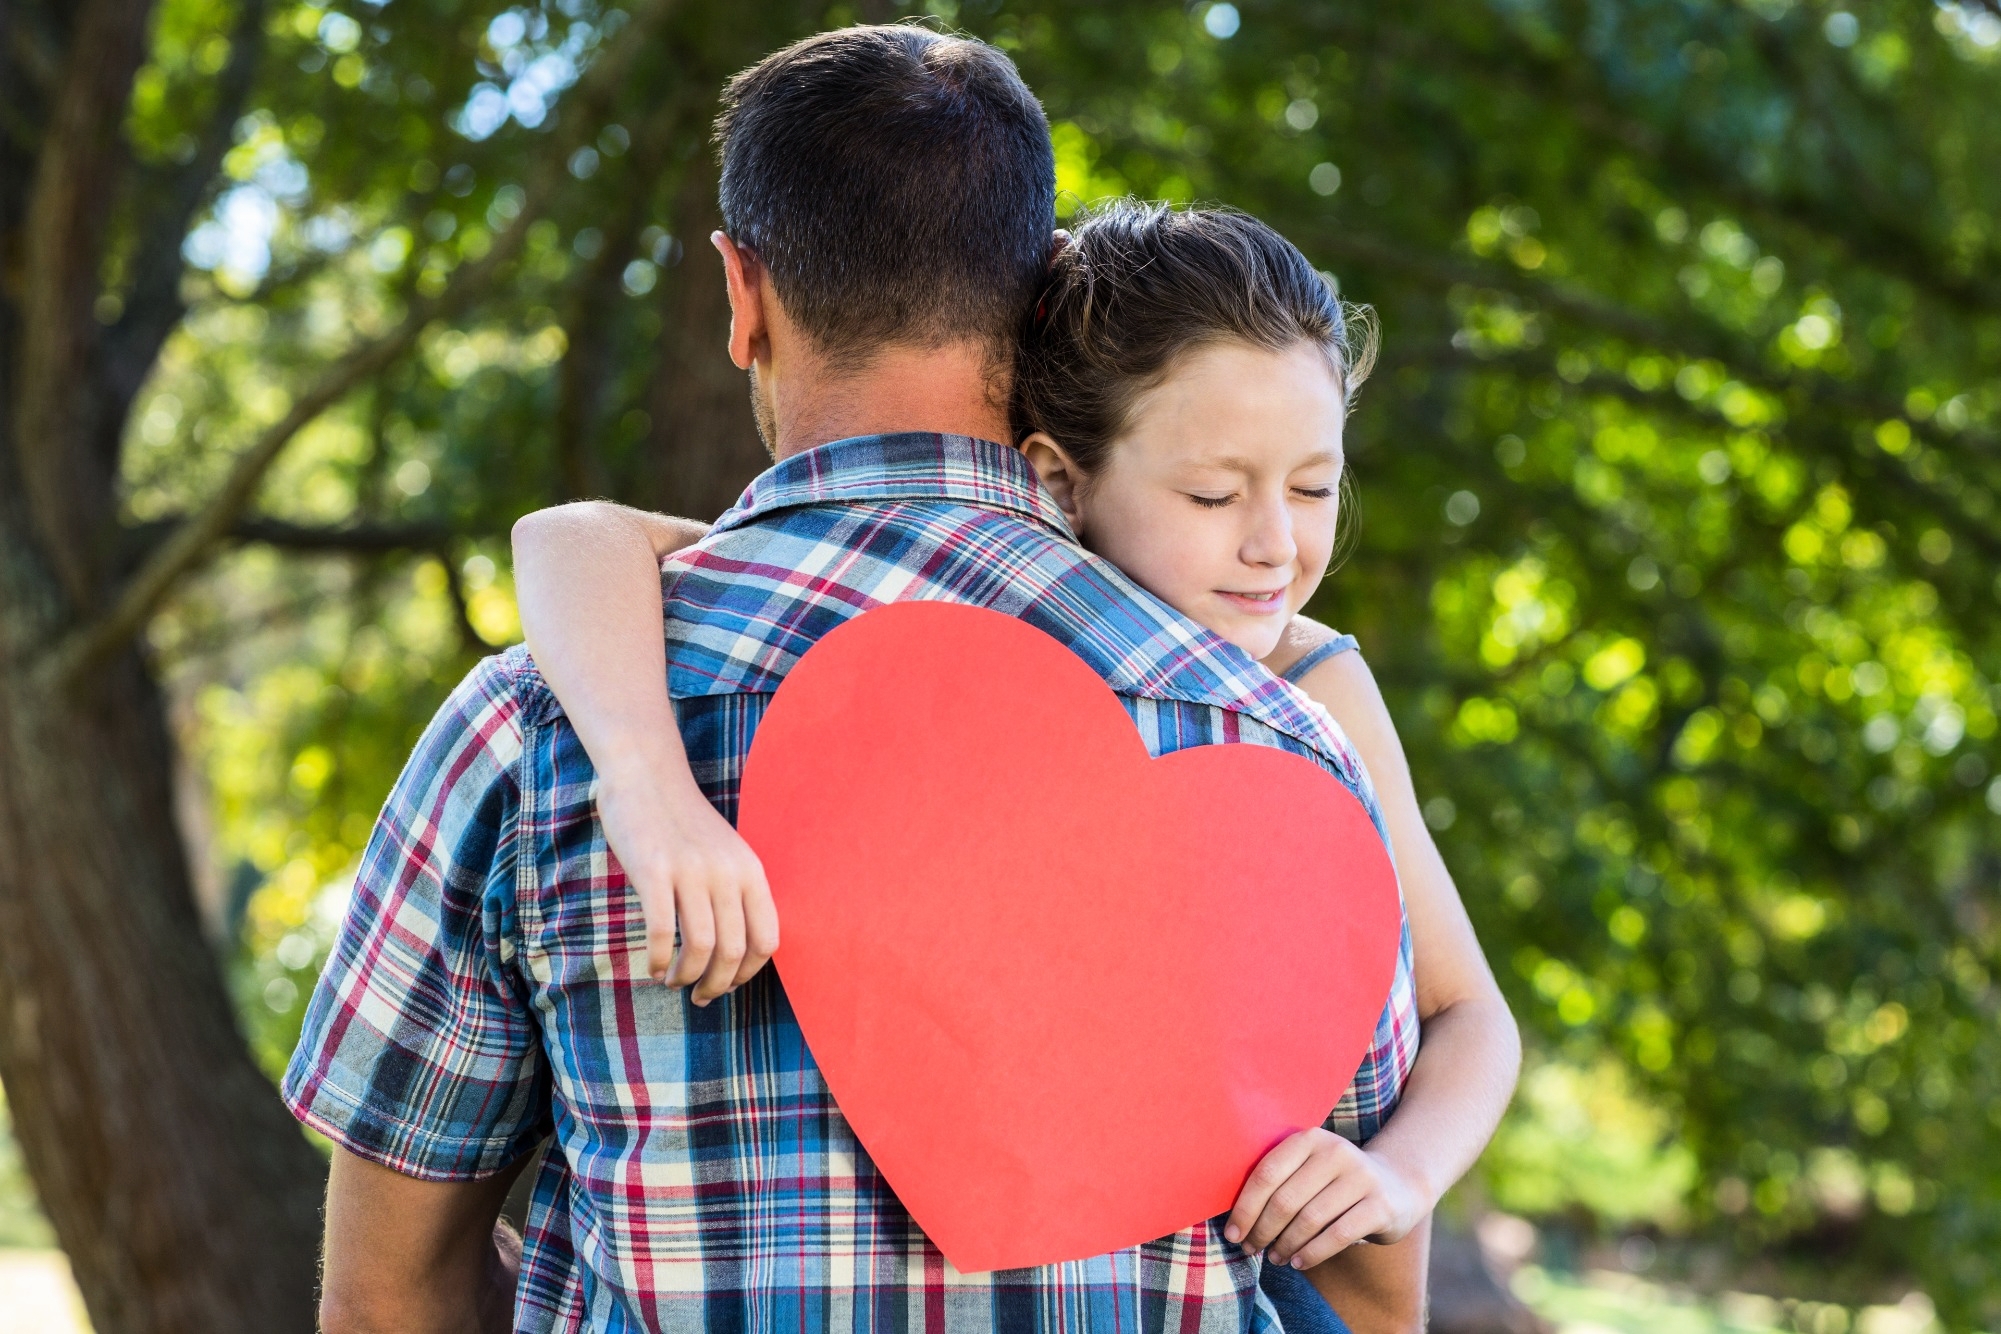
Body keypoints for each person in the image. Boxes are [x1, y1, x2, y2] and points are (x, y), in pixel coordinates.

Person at [283, 25, 1477, 1334]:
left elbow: (387, 1292)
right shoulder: (1269, 743)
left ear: (741, 294)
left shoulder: (538, 719)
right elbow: (1367, 1286)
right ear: (1039, 300)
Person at [508, 199, 1521, 1334]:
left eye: (1315, 485)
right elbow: (569, 535)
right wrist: (645, 773)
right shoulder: (951, 636)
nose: (1275, 542)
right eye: (1213, 493)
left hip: (1249, 1252)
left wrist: (1404, 1175)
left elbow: (1471, 1009)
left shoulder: (1315, 684)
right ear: (1059, 475)